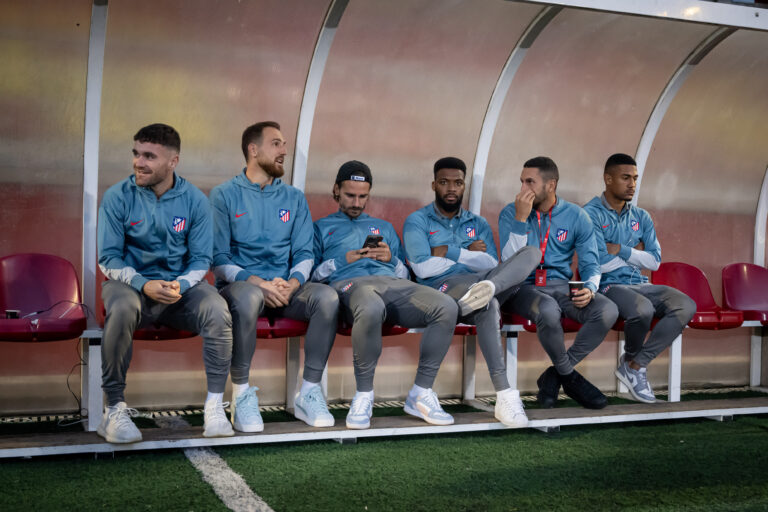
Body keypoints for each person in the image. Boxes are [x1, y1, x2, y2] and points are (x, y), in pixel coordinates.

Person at [98, 123, 234, 443]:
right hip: (131, 286)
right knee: (121, 306)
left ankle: (215, 406)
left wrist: (180, 287)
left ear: (173, 162)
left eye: (149, 156)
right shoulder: (118, 196)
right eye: (136, 154)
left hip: (179, 290)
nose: (138, 162)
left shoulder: (196, 201)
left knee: (216, 308)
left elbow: (202, 260)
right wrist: (144, 284)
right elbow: (108, 258)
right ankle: (114, 408)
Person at [210, 121, 339, 430]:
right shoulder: (223, 195)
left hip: (286, 289)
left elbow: (305, 253)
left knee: (328, 298)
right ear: (253, 150)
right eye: (276, 144)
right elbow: (218, 258)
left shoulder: (294, 198)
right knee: (250, 296)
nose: (284, 150)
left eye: (284, 144)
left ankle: (308, 392)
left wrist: (293, 283)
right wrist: (259, 283)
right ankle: (241, 396)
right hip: (242, 287)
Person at [313, 161, 461, 429]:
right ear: (336, 190)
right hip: (350, 285)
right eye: (350, 195)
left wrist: (392, 260)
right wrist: (340, 261)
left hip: (391, 283)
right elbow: (311, 277)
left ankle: (421, 392)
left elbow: (405, 275)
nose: (357, 203)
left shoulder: (383, 227)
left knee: (446, 306)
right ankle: (364, 395)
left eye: (363, 196)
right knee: (369, 306)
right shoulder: (320, 227)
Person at [402, 157, 540, 427]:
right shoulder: (417, 220)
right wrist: (469, 254)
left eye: (457, 182)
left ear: (464, 186)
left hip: (482, 281)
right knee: (487, 303)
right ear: (434, 185)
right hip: (441, 288)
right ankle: (504, 393)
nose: (451, 188)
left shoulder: (478, 222)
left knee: (531, 253)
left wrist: (448, 250)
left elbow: (490, 263)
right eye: (444, 182)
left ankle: (488, 289)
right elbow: (422, 266)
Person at [499, 156, 618, 409]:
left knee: (607, 310)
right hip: (522, 287)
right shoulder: (512, 212)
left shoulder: (577, 215)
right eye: (521, 182)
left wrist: (590, 287)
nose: (523, 189)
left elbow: (590, 262)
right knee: (548, 309)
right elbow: (508, 263)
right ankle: (570, 377)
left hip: (561, 286)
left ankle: (556, 373)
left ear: (551, 185)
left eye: (530, 182)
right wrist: (520, 220)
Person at [583, 153, 695, 403]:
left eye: (635, 178)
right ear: (608, 179)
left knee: (685, 305)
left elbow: (654, 261)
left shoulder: (641, 216)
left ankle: (635, 366)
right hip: (607, 285)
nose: (632, 184)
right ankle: (632, 357)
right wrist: (637, 253)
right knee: (642, 309)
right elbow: (600, 263)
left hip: (641, 284)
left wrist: (621, 249)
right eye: (625, 178)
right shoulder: (590, 214)